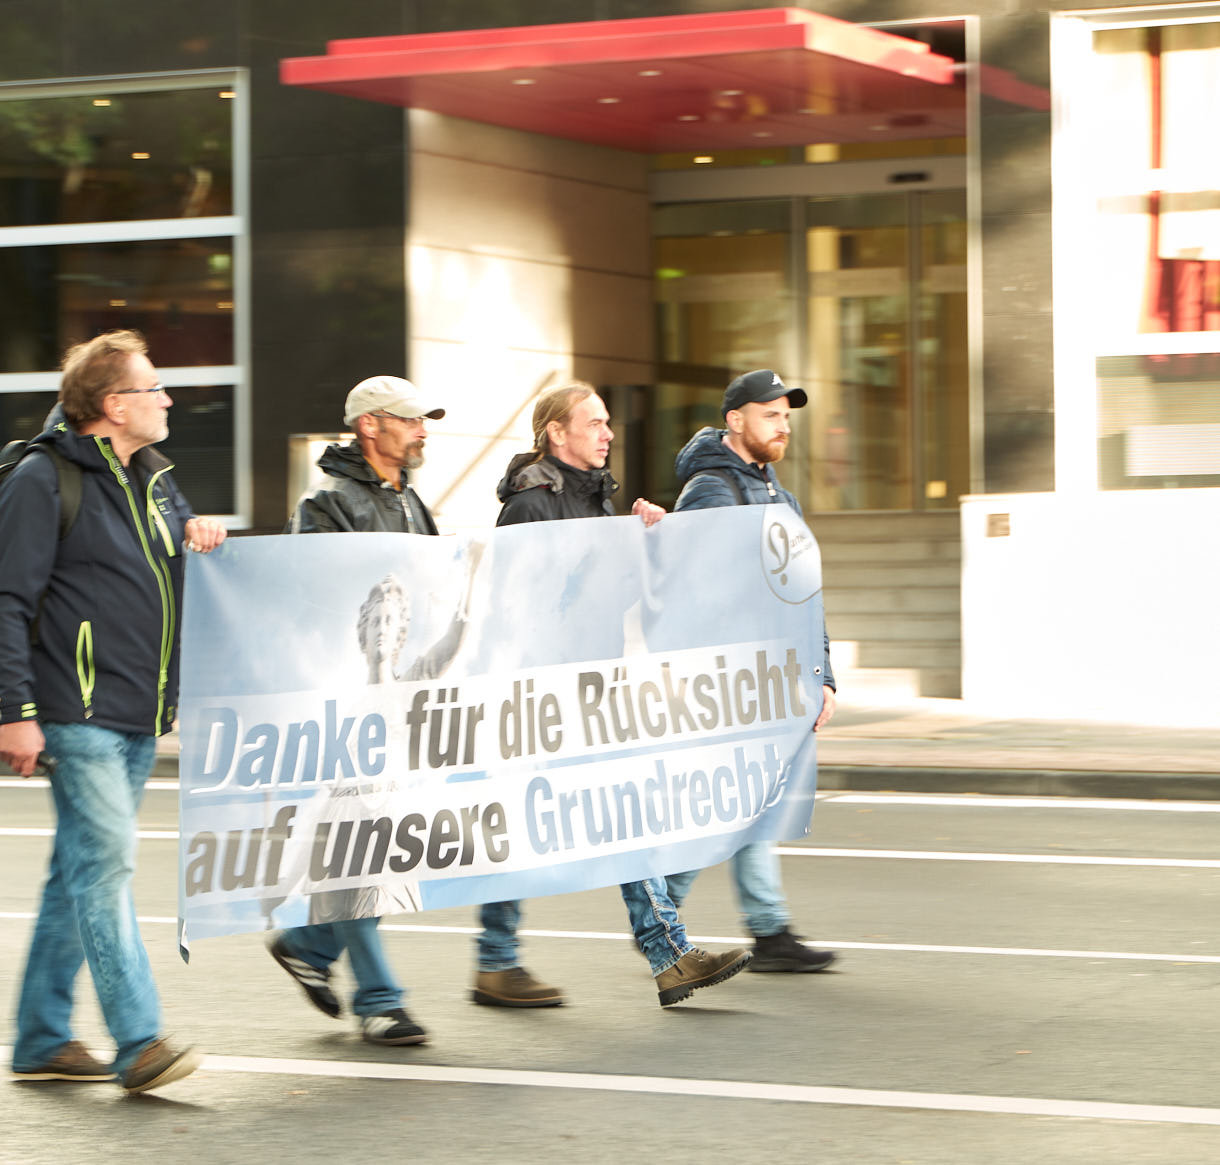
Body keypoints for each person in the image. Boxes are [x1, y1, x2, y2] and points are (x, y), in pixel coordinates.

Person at [478, 381, 753, 1009]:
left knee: (605, 816)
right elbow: (518, 606)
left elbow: (613, 597)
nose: (607, 434)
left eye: (607, 423)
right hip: (540, 697)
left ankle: (657, 955)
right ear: (557, 433)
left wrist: (643, 544)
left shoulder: (593, 499)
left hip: (586, 689)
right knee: (546, 824)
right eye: (595, 423)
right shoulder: (531, 504)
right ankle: (658, 953)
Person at [0, 330, 226, 1092]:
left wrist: (201, 537)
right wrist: (13, 710)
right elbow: (6, 600)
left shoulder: (158, 480)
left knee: (75, 873)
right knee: (105, 869)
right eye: (154, 387)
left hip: (135, 713)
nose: (167, 399)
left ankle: (39, 1036)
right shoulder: (42, 477)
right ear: (112, 404)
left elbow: (168, 575)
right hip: (74, 709)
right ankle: (139, 1041)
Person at [269, 375, 453, 1047]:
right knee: (360, 852)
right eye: (410, 419)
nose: (422, 429)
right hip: (346, 708)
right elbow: (310, 599)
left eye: (424, 420)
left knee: (384, 849)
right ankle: (380, 998)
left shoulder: (410, 500)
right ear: (369, 426)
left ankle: (309, 943)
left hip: (399, 709)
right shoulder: (328, 503)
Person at [667, 368, 838, 973]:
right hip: (731, 682)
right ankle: (661, 920)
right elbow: (690, 590)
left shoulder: (776, 495)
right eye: (770, 414)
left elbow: (802, 592)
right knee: (722, 807)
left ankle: (768, 932)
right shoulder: (713, 490)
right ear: (735, 420)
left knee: (756, 802)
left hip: (773, 679)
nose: (783, 424)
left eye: (787, 415)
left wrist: (823, 674)